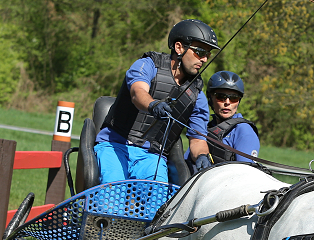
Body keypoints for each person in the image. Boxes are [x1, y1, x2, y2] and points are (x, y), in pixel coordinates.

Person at [94, 19, 218, 184]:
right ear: (179, 47)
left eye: (208, 55)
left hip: (152, 157)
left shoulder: (197, 95)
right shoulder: (148, 65)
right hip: (115, 145)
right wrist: (153, 105)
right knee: (113, 196)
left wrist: (202, 156)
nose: (204, 60)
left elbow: (197, 140)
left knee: (156, 203)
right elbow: (137, 92)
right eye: (200, 52)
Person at [186, 70, 260, 170]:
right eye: (221, 97)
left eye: (234, 98)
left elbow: (246, 174)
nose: (227, 103)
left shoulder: (244, 130)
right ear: (210, 98)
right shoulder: (207, 127)